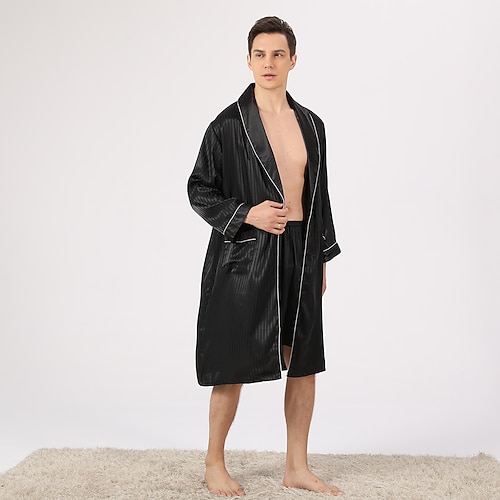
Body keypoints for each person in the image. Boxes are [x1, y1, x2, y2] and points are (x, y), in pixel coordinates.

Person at [188, 16, 342, 497]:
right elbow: (198, 189)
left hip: (301, 250)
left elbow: (320, 197)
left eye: (278, 54)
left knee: (304, 361)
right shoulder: (227, 126)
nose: (269, 63)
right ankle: (214, 463)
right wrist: (247, 213)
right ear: (249, 60)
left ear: (293, 60)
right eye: (260, 54)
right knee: (231, 360)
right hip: (247, 256)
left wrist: (321, 257)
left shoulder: (312, 125)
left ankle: (297, 467)